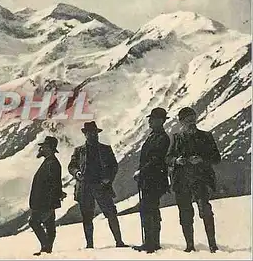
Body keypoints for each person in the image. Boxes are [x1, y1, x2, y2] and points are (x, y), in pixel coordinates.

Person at [165, 107, 221, 253]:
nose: (191, 122)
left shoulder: (206, 136)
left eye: (193, 119)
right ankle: (189, 246)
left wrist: (201, 159)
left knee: (205, 210)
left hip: (201, 180)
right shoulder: (176, 138)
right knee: (185, 213)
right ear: (181, 121)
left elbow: (216, 158)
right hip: (181, 181)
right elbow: (168, 158)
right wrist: (177, 161)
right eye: (187, 120)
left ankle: (212, 245)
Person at [68, 121, 129, 249]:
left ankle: (119, 241)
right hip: (85, 187)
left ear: (97, 133)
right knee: (87, 216)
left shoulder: (105, 149)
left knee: (111, 213)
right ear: (85, 134)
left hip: (101, 186)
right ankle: (89, 245)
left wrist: (108, 179)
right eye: (89, 133)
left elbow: (114, 166)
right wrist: (77, 173)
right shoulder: (79, 151)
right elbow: (71, 166)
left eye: (94, 132)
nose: (92, 135)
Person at [132, 108, 170, 253]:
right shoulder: (155, 136)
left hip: (154, 180)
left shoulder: (162, 138)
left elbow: (155, 160)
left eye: (152, 119)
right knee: (149, 209)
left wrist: (142, 171)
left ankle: (151, 243)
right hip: (150, 180)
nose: (149, 121)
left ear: (160, 121)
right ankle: (152, 241)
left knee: (149, 209)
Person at [28, 136, 66, 256]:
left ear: (49, 148)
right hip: (46, 201)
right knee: (49, 225)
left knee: (34, 222)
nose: (41, 149)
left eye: (43, 147)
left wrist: (52, 199)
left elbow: (54, 183)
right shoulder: (50, 162)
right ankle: (46, 249)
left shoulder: (51, 163)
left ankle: (46, 247)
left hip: (44, 202)